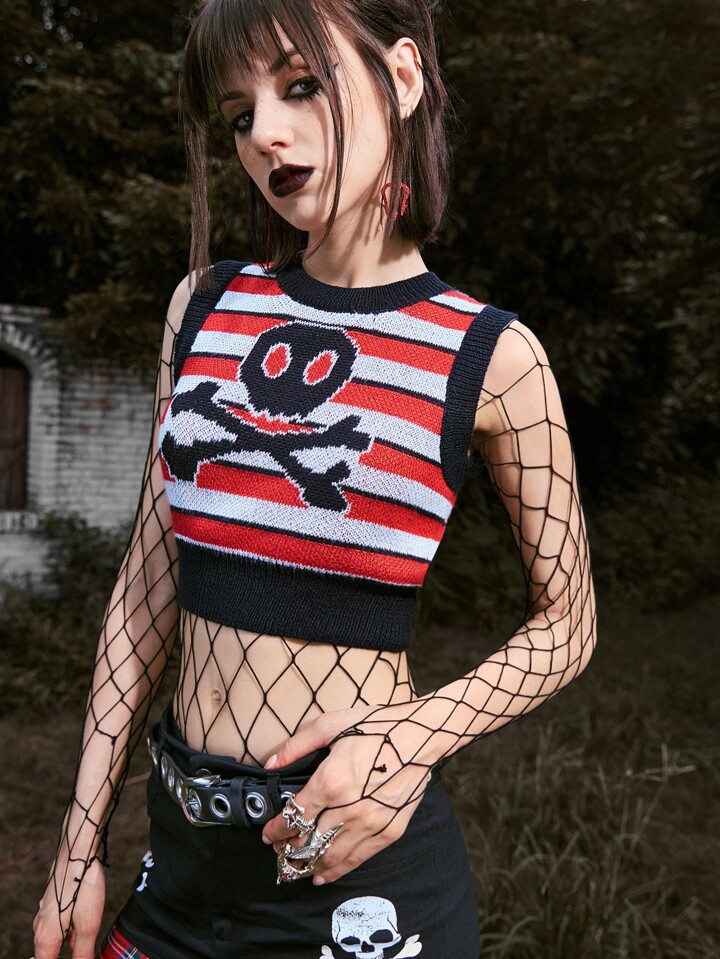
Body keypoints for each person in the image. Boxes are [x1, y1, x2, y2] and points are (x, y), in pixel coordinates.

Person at [33, 0, 596, 956]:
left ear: (403, 78)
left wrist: (412, 736)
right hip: (179, 870)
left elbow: (569, 622)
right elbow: (144, 589)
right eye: (239, 113)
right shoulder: (205, 307)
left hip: (361, 881)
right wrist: (79, 845)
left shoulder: (491, 356)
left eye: (299, 85)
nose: (266, 133)